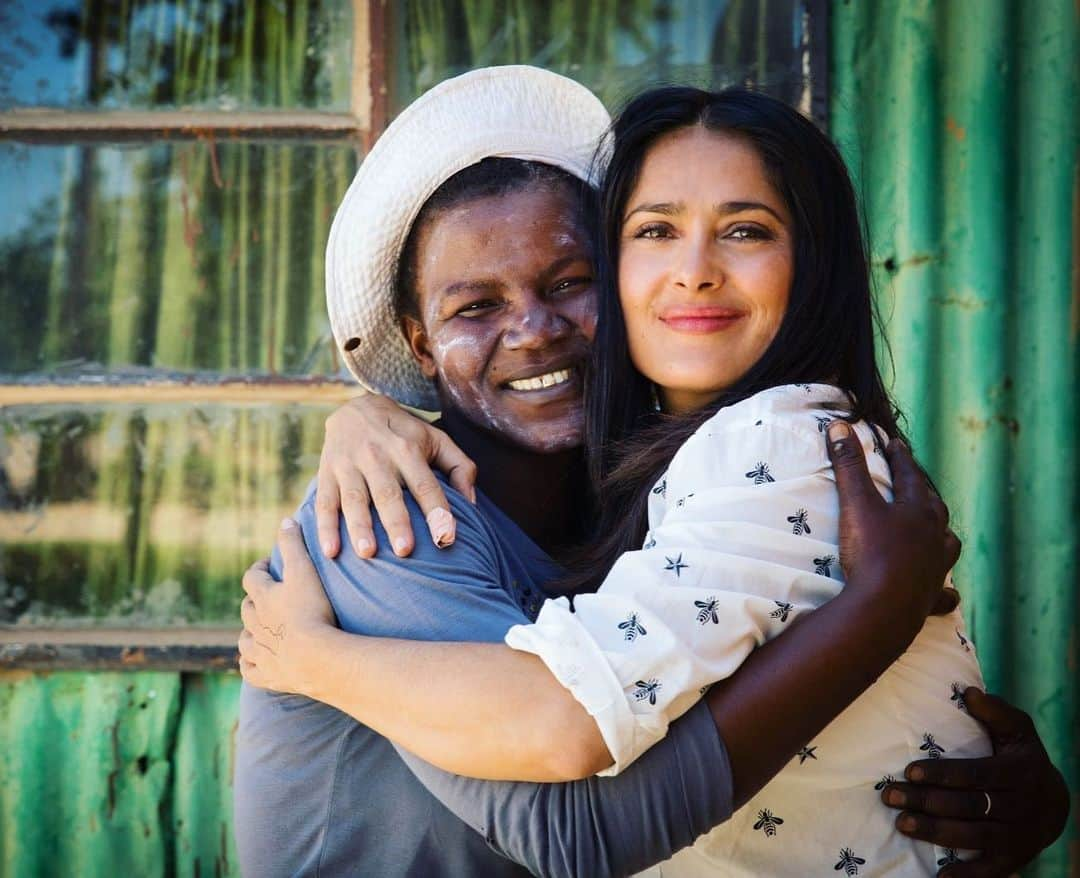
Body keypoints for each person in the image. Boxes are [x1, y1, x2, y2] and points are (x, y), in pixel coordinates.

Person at [236, 69, 1069, 877]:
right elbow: (574, 835)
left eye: (570, 282)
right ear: (420, 346)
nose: (533, 330)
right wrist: (874, 614)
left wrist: (1014, 795)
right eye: (475, 308)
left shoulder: (665, 486)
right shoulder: (390, 517)